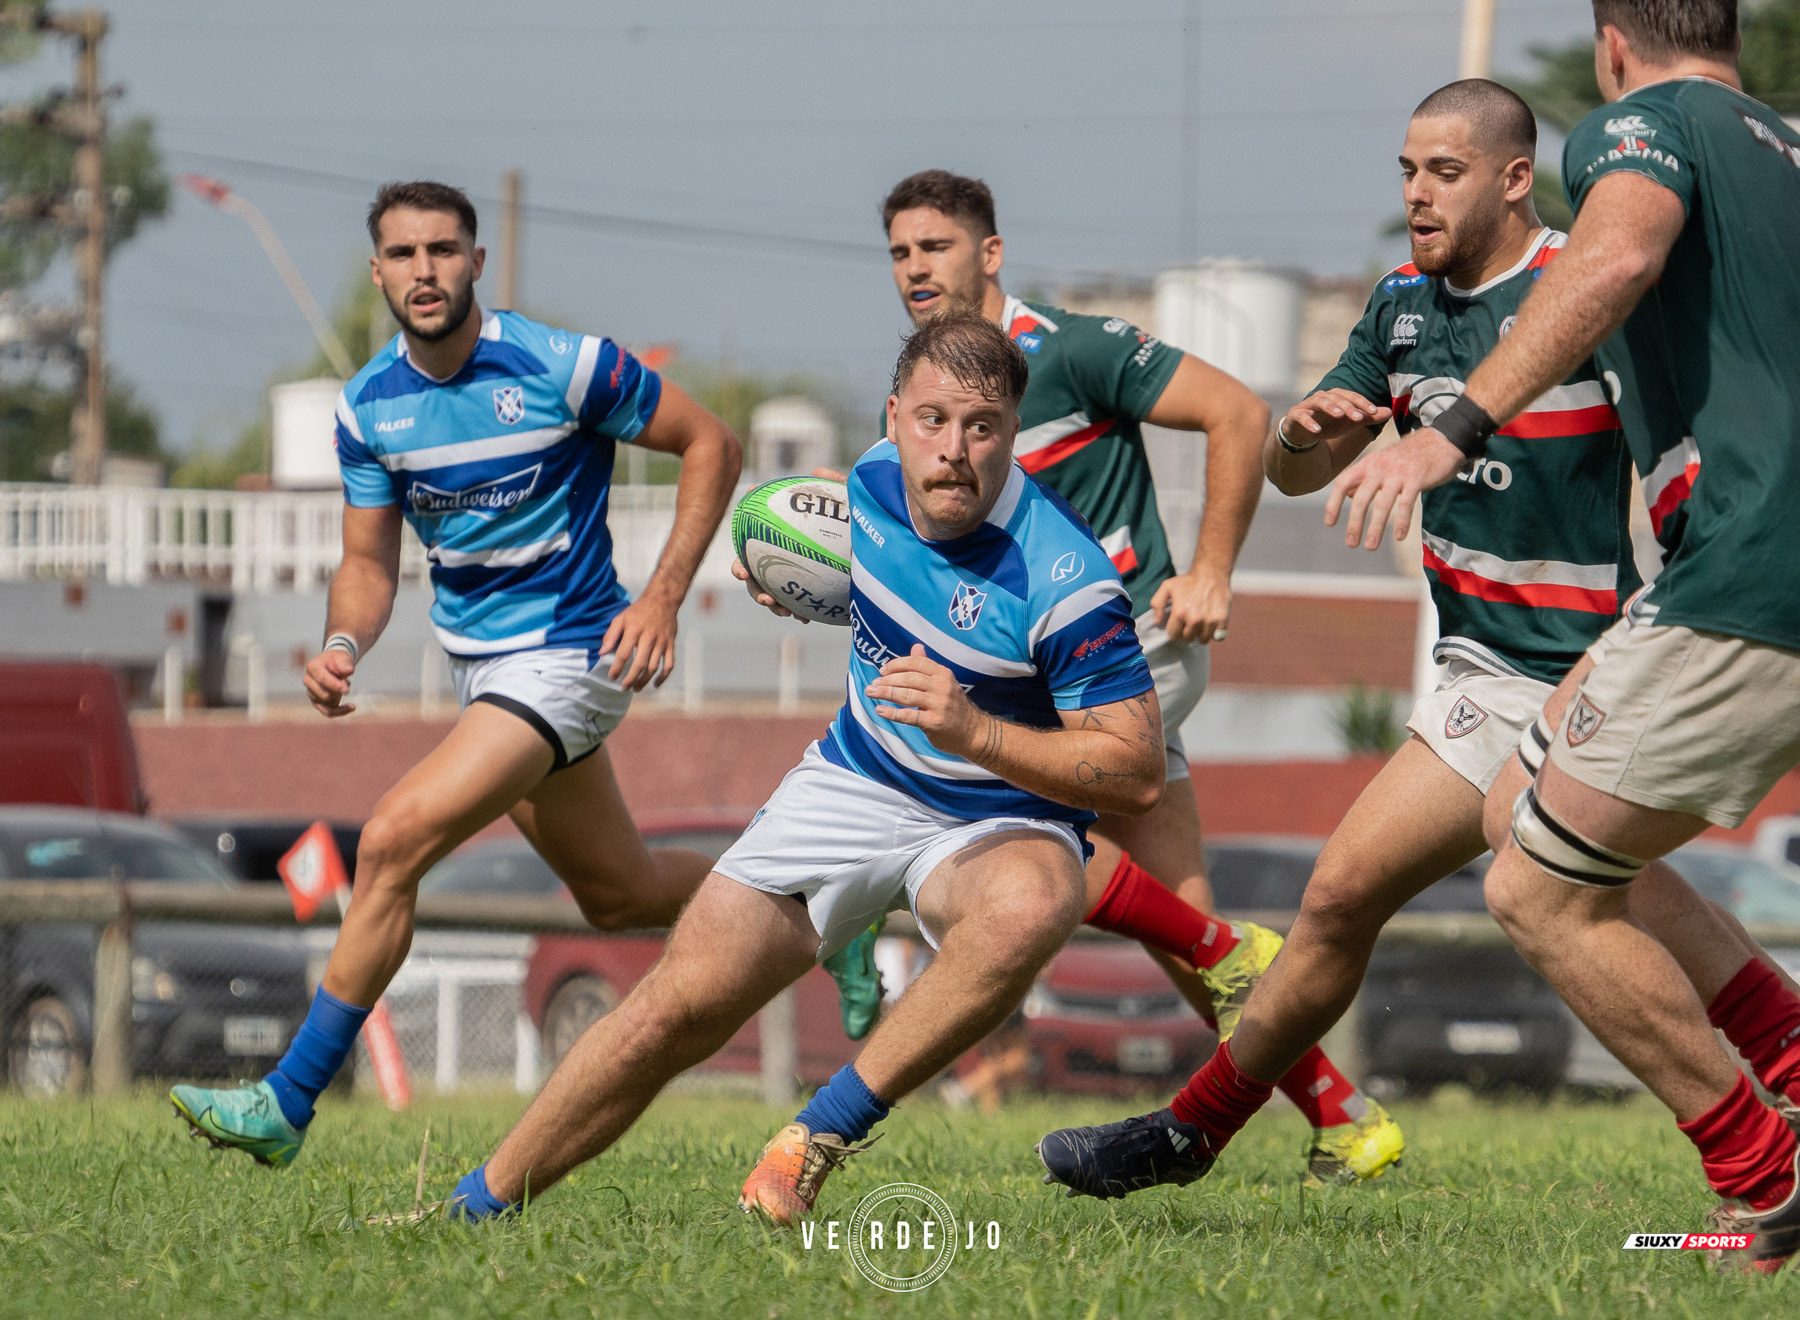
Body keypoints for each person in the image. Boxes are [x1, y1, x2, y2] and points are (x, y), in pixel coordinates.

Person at [1039, 77, 1800, 1232]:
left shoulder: (1583, 291)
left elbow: (1684, 459)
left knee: (1572, 885)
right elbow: (1299, 470)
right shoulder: (1400, 308)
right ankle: (1192, 1132)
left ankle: (1764, 1155)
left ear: (1513, 178)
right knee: (1343, 898)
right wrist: (1307, 436)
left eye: (1444, 172)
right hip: (1479, 675)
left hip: (1589, 664)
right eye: (1406, 171)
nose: (1417, 194)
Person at [1257, 2, 1800, 1272]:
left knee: (1534, 889)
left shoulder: (1643, 123)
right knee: (1524, 816)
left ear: (1612, 43)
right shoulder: (1783, 150)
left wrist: (1451, 430)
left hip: (1749, 570)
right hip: (1743, 576)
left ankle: (1766, 1180)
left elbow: (1613, 261)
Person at [437, 311, 1166, 1225]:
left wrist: (977, 733)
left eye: (982, 427)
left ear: (1013, 433)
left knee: (1035, 903)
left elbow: (1136, 769)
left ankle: (816, 1135)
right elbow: (858, 562)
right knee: (674, 1009)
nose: (953, 450)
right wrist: (792, 579)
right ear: (893, 419)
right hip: (855, 780)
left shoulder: (1068, 579)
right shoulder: (867, 482)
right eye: (932, 420)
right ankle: (473, 1210)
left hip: (997, 818)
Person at [170, 180, 745, 1168]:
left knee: (391, 839)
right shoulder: (368, 408)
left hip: (573, 656)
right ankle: (811, 905)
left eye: (443, 250)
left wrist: (661, 598)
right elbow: (365, 565)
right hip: (487, 678)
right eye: (404, 254)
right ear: (377, 273)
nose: (424, 271)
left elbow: (712, 443)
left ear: (477, 262)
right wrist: (342, 644)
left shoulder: (562, 365)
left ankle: (287, 1101)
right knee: (621, 895)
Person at [871, 170, 1400, 1181]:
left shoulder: (1070, 349)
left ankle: (1226, 957)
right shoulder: (931, 397)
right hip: (1053, 681)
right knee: (1184, 927)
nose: (915, 268)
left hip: (1131, 654)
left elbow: (1238, 411)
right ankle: (1344, 1117)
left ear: (990, 252)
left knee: (1005, 831)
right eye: (900, 252)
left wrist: (1211, 571)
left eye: (935, 246)